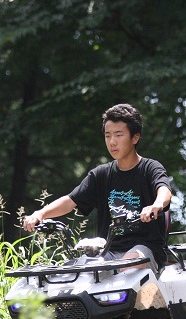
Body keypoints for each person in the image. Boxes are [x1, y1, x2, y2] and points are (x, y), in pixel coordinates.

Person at [22, 103, 173, 270]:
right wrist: (40, 214)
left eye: (118, 135)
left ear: (135, 138)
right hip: (108, 251)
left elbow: (164, 190)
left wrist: (156, 204)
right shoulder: (101, 174)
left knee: (127, 265)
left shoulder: (150, 168)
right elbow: (70, 201)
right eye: (108, 136)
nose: (112, 142)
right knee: (80, 270)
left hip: (145, 249)